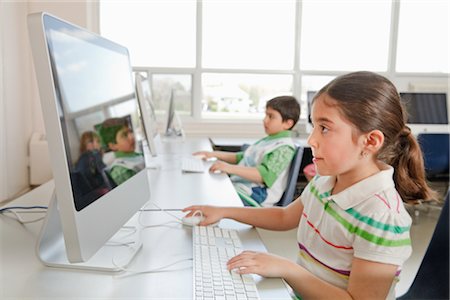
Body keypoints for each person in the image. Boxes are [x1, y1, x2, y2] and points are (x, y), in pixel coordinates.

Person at [183, 71, 437, 299]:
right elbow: (284, 216)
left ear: (370, 141)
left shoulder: (383, 216)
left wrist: (286, 268)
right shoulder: (326, 181)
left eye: (325, 128)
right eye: (314, 126)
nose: (312, 140)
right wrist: (223, 211)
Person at [195, 95, 300, 207]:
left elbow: (263, 175)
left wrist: (228, 168)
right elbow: (242, 157)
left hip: (256, 197)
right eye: (265, 115)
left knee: (208, 195)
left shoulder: (284, 147)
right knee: (207, 189)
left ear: (288, 123)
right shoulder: (268, 140)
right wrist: (212, 154)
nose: (265, 120)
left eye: (271, 116)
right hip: (242, 188)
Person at [98, 117, 144, 186]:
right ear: (113, 146)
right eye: (125, 135)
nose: (131, 137)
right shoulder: (120, 170)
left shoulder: (139, 155)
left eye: (130, 132)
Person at [74, 131, 108, 195]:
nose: (95, 144)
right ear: (84, 144)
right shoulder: (87, 156)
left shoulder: (92, 155)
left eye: (98, 141)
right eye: (91, 141)